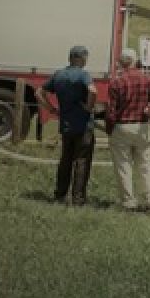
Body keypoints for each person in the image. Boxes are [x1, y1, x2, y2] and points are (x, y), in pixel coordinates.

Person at [106, 48, 150, 213]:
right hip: (143, 126)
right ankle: (149, 201)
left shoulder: (116, 82)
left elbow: (111, 111)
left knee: (123, 166)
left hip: (122, 126)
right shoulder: (147, 79)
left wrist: (109, 129)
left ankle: (128, 202)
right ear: (135, 61)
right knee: (145, 165)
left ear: (121, 63)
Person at [35, 44, 98, 206]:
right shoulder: (83, 75)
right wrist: (89, 107)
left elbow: (38, 92)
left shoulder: (59, 75)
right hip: (83, 125)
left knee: (65, 160)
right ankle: (78, 199)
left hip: (66, 124)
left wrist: (50, 109)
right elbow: (93, 91)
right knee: (81, 161)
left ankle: (60, 194)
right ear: (82, 58)